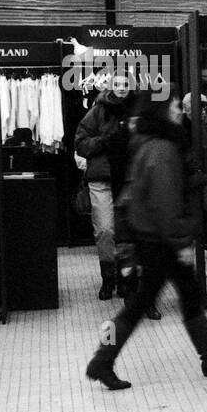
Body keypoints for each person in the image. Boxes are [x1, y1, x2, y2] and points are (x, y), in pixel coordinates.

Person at [85, 93, 207, 390]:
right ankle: (101, 361)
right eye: (173, 106)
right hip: (160, 240)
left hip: (152, 236)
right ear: (161, 112)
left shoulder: (149, 142)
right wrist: (181, 240)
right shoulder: (161, 148)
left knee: (185, 296)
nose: (178, 111)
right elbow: (164, 201)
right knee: (141, 304)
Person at [75, 74, 136, 300]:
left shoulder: (137, 110)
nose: (121, 88)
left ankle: (125, 279)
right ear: (110, 87)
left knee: (129, 232)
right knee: (105, 230)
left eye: (125, 84)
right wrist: (104, 141)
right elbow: (80, 144)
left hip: (130, 180)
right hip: (102, 179)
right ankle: (108, 278)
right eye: (117, 84)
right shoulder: (98, 111)